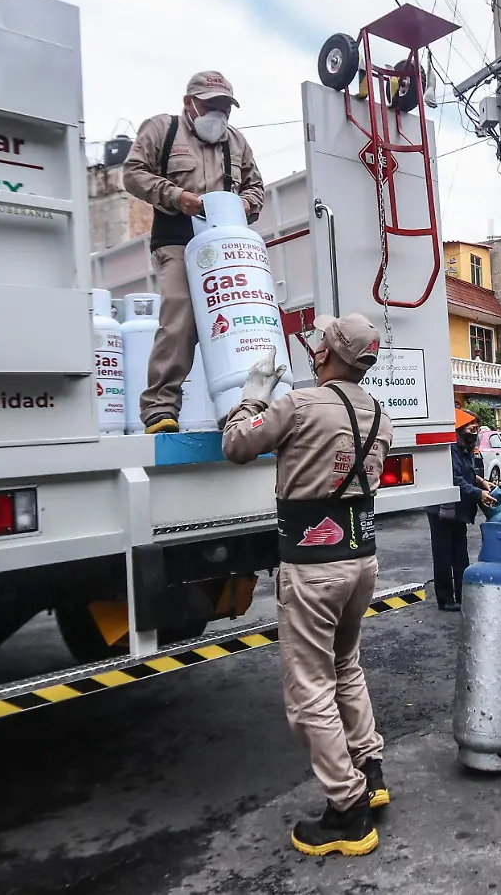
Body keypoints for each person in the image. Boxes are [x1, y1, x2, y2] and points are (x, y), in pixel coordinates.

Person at [222, 314, 394, 856]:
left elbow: (237, 446)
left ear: (330, 353)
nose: (315, 348)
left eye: (321, 341)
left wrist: (251, 396)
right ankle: (370, 768)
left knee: (309, 690)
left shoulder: (297, 404)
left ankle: (347, 810)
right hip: (360, 559)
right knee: (346, 666)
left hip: (313, 567)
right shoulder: (378, 412)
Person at [124, 71, 266, 433]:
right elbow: (133, 173)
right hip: (177, 239)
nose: (218, 114)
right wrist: (175, 196)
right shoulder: (162, 129)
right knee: (181, 319)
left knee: (241, 318)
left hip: (226, 242)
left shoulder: (236, 142)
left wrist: (243, 207)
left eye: (224, 107)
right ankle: (160, 407)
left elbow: (255, 187)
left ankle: (245, 405)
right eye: (210, 105)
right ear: (189, 103)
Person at [434, 409, 500, 611]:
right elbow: (454, 478)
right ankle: (445, 599)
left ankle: (464, 595)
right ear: (459, 427)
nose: (475, 430)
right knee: (444, 554)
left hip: (460, 507)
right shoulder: (451, 447)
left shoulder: (467, 446)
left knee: (460, 554)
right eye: (471, 426)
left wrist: (482, 482)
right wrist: (478, 493)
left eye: (477, 427)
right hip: (442, 508)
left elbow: (468, 472)